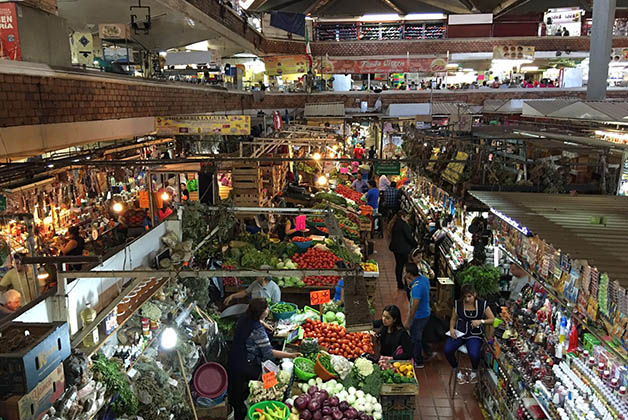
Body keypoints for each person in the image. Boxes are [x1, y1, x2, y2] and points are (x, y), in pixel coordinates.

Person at [228, 299, 300, 420]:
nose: (268, 310)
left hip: (234, 357)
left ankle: (239, 407)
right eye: (266, 309)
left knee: (237, 393)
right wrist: (291, 355)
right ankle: (249, 408)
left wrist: (263, 323)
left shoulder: (244, 318)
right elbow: (269, 353)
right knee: (254, 388)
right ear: (260, 313)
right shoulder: (258, 331)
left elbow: (256, 321)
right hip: (246, 363)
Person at [445, 284, 495, 383]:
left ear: (474, 295)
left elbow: (493, 319)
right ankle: (456, 369)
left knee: (474, 354)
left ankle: (474, 370)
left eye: (469, 296)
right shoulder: (458, 304)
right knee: (448, 350)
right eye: (465, 297)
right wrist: (451, 328)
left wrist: (481, 321)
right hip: (460, 332)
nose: (467, 299)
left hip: (474, 334)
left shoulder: (482, 304)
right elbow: (453, 319)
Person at [404, 263, 431, 369]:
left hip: (419, 316)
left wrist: (409, 321)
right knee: (421, 335)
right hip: (426, 313)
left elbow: (414, 306)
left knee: (416, 338)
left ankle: (418, 361)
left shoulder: (416, 288)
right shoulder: (423, 279)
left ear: (409, 274)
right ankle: (426, 351)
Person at [388, 211, 418, 289]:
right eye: (407, 217)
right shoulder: (404, 225)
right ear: (402, 216)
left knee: (399, 265)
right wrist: (415, 244)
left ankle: (399, 283)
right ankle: (406, 283)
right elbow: (409, 238)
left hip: (396, 248)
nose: (407, 219)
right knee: (406, 266)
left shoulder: (395, 223)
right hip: (403, 249)